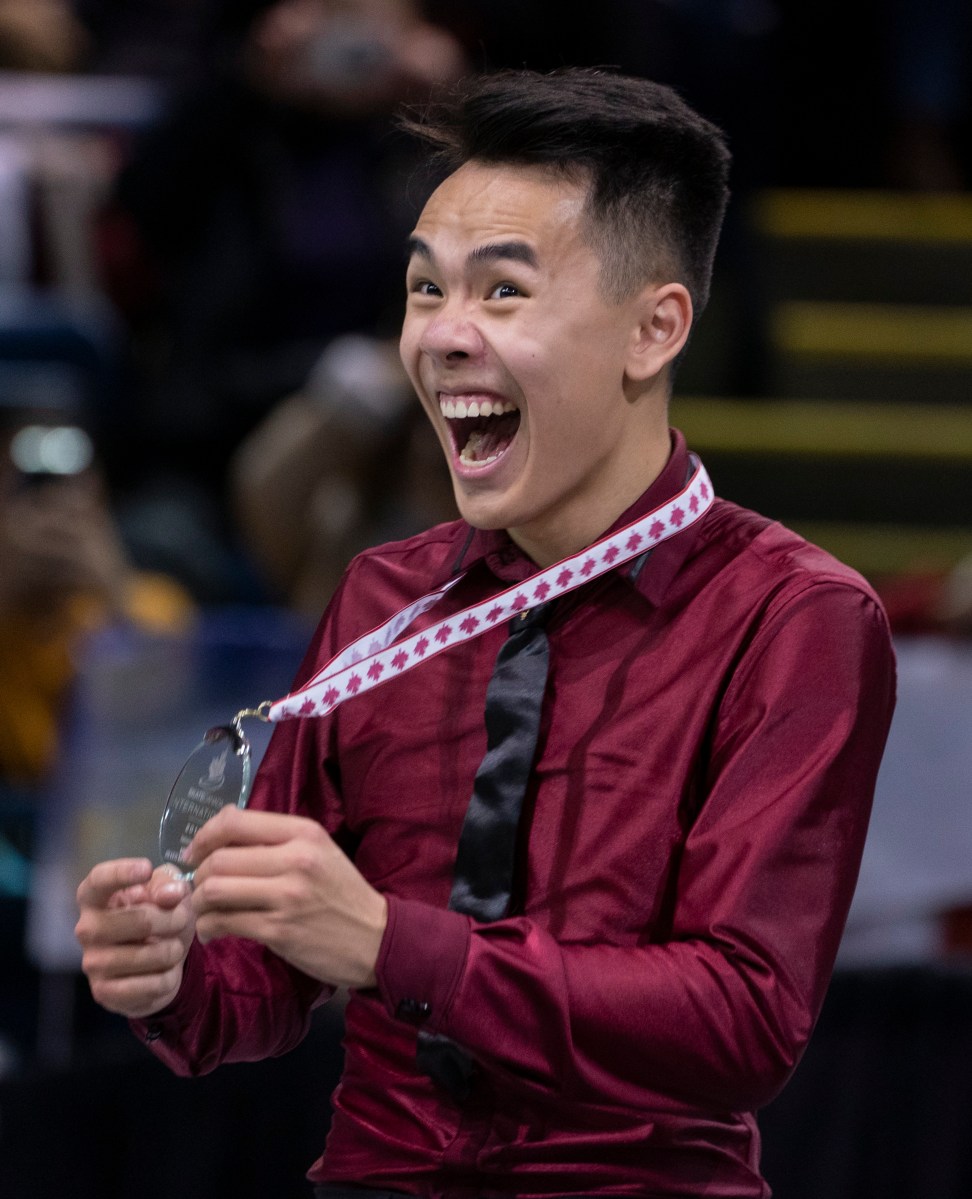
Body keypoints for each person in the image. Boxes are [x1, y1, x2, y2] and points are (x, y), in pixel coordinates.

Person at [75, 69, 896, 1197]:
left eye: (502, 294)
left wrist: (389, 942)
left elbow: (742, 1021)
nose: (443, 337)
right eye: (423, 291)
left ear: (654, 329)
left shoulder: (795, 616)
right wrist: (170, 975)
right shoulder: (384, 597)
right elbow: (261, 988)